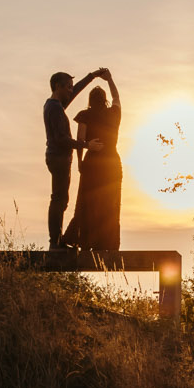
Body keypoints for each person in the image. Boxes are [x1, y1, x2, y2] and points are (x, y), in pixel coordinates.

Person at [63, 70, 122, 251]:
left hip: (92, 163)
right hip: (111, 162)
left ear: (90, 100)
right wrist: (110, 79)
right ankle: (107, 243)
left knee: (86, 201)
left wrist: (80, 162)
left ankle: (83, 240)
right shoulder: (114, 113)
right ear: (104, 99)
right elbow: (117, 98)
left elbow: (80, 141)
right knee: (110, 202)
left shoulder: (85, 115)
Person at [44, 69, 102, 249]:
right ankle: (55, 243)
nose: (70, 90)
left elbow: (75, 91)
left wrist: (91, 76)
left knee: (62, 199)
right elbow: (61, 139)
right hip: (58, 158)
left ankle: (57, 240)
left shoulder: (56, 105)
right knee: (58, 199)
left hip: (59, 158)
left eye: (70, 86)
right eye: (67, 87)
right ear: (57, 86)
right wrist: (86, 145)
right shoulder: (54, 108)